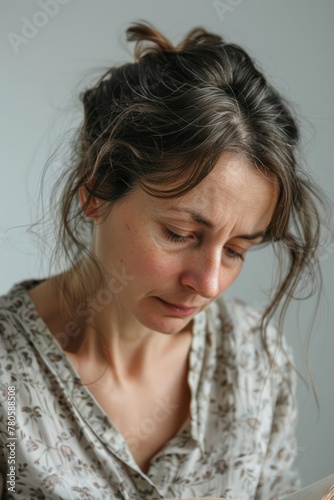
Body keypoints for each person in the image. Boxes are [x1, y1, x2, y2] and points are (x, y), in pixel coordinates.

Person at [0, 20, 327, 500]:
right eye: (180, 234)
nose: (210, 283)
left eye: (237, 250)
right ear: (95, 192)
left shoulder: (255, 361)